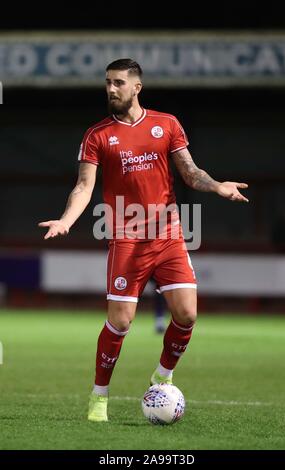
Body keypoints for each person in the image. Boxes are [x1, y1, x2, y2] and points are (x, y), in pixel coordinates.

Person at [38, 58, 249, 422]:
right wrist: (66, 220)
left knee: (187, 314)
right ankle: (99, 396)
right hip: (125, 237)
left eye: (118, 82)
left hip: (168, 234)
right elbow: (84, 186)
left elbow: (190, 172)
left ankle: (163, 375)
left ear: (137, 87)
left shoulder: (166, 124)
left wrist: (217, 186)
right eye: (107, 82)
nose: (110, 89)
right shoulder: (97, 134)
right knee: (120, 322)